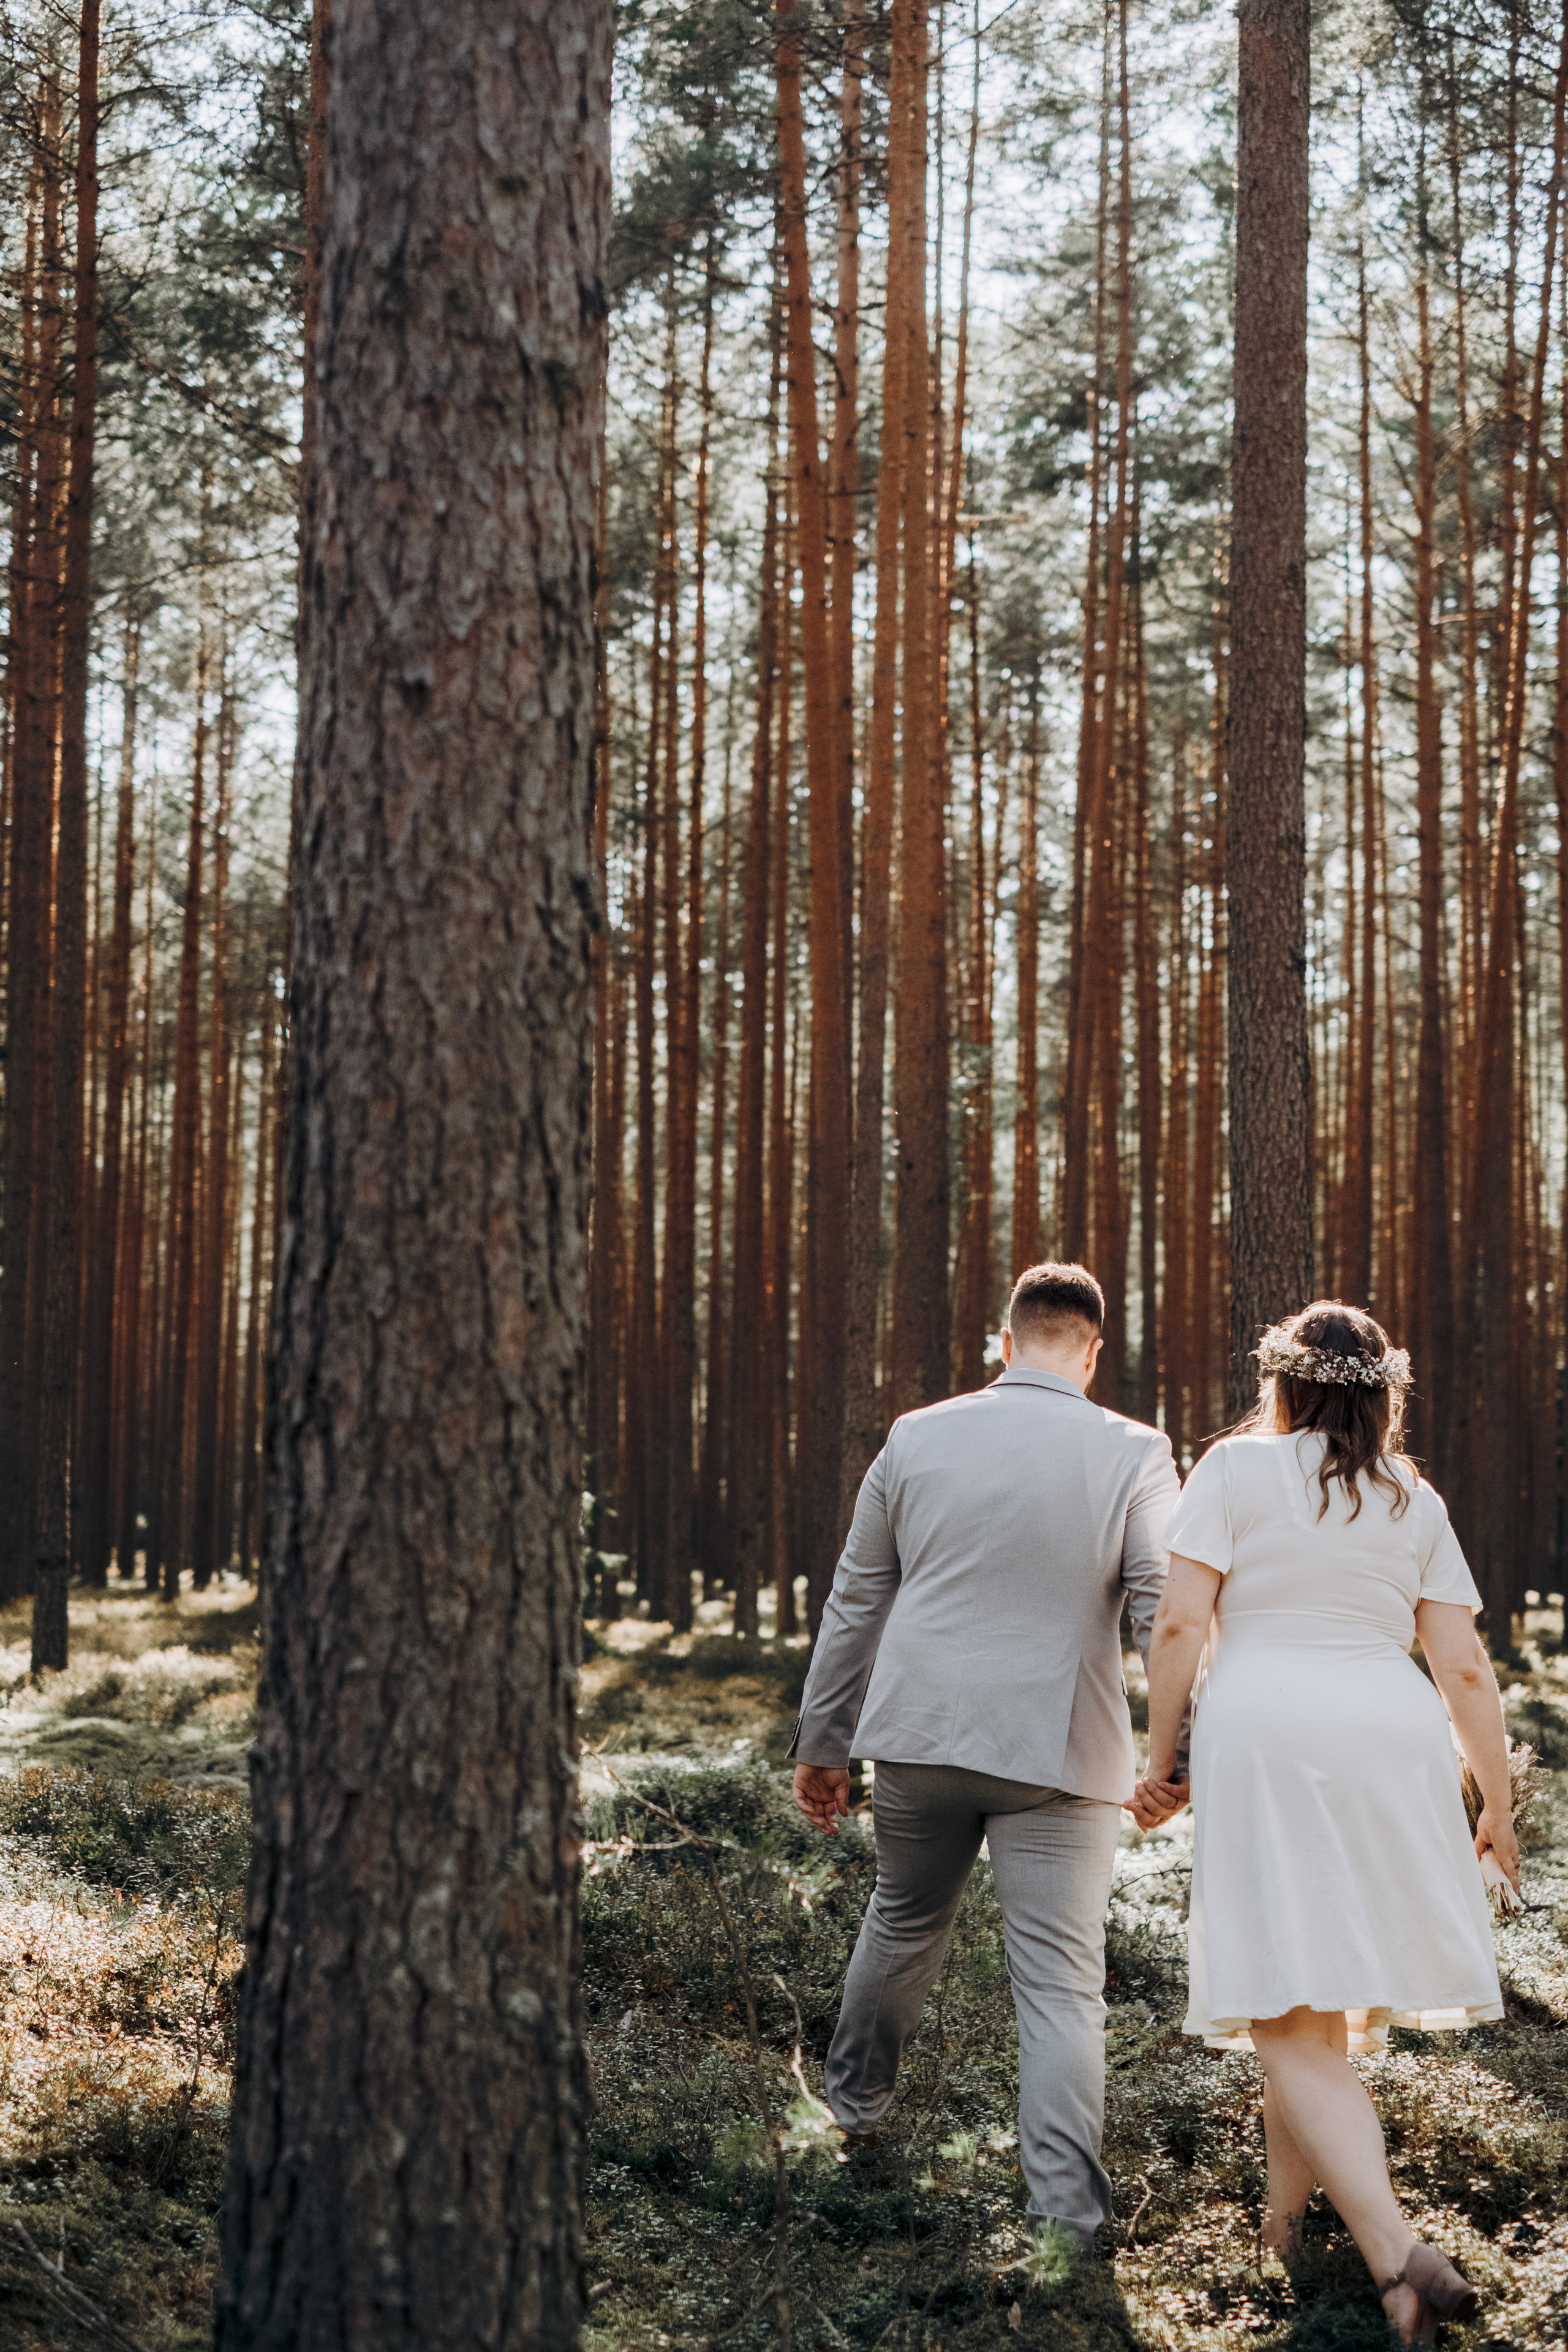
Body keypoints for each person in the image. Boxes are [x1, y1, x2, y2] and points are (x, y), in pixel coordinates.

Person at [1139, 1300, 1515, 2345]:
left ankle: (1401, 2262)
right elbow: (1467, 1670)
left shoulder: (1232, 1470)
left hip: (1266, 1734)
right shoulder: (1414, 1497)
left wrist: (1161, 1752)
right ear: (1379, 1391)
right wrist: (1499, 1808)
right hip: (1394, 1740)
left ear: (1285, 1383)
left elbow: (1178, 1623)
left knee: (1280, 2001)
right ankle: (1284, 2231)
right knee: (1307, 2004)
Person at [790, 1262, 1184, 2248]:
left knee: (902, 1920)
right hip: (1059, 1753)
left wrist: (824, 1739)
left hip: (917, 1738)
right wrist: (1181, 1755)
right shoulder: (1136, 1451)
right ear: (1091, 1355)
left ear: (1005, 1341)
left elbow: (856, 1598)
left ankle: (850, 2117)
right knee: (1058, 1982)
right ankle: (1065, 2218)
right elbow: (1159, 1612)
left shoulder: (916, 1436)